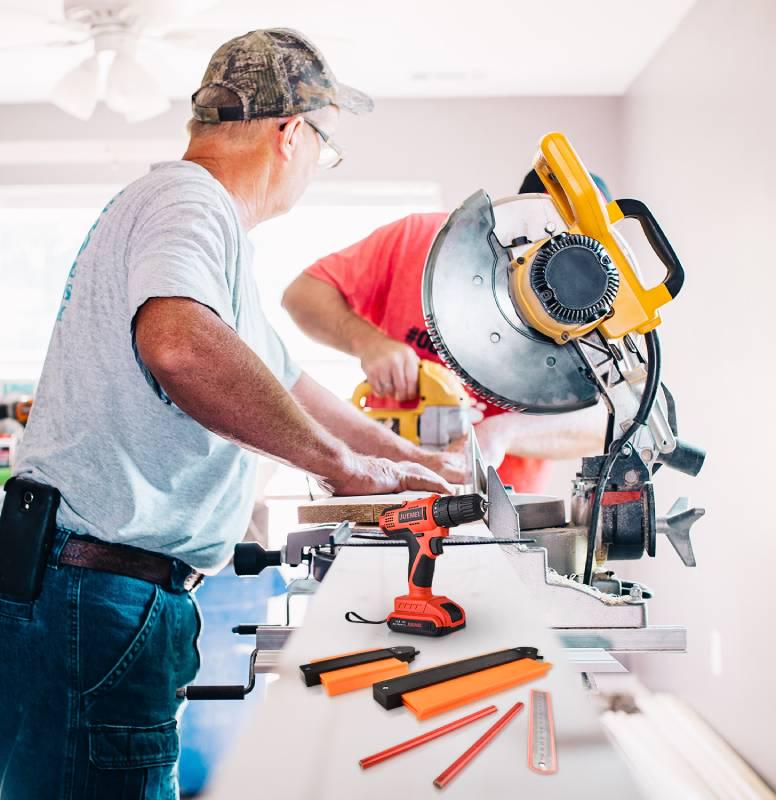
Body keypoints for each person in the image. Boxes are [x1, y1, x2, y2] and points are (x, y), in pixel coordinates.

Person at [0, 29, 460, 799]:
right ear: (292, 135)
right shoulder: (190, 200)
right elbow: (179, 347)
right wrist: (343, 469)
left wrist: (413, 465)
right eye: (325, 147)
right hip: (100, 599)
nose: (317, 166)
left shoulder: (196, 230)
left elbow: (289, 384)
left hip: (83, 591)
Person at [283, 170, 609, 493]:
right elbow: (302, 295)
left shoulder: (594, 308)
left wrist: (503, 432)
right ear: (514, 214)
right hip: (387, 481)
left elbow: (602, 422)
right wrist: (367, 341)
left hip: (501, 503)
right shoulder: (419, 240)